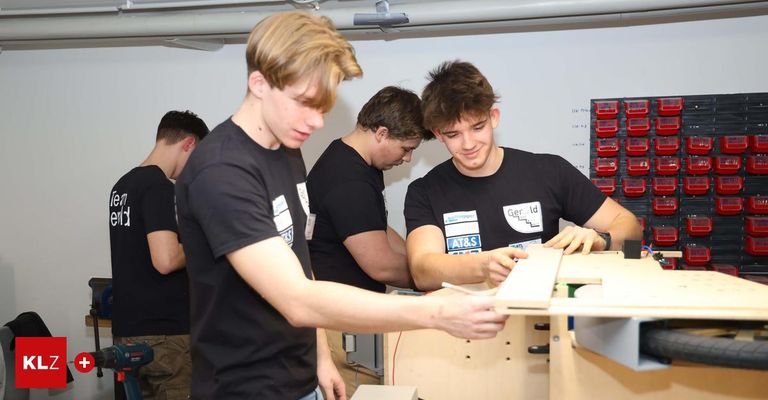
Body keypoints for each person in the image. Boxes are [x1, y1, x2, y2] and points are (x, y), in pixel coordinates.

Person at [175, 12, 508, 400]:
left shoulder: (286, 152)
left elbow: (302, 262)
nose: (316, 122)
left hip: (298, 378)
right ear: (259, 84)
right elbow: (297, 298)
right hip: (244, 388)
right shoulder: (222, 171)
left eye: (324, 108)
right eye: (305, 104)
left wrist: (320, 357)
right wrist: (434, 312)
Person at [404, 60, 643, 291]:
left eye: (477, 127)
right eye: (453, 134)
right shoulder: (425, 191)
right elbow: (422, 269)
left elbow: (630, 227)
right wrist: (483, 265)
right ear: (439, 134)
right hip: (465, 323)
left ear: (493, 117)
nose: (468, 144)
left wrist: (601, 238)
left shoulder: (549, 172)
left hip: (539, 319)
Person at [306, 86, 432, 395]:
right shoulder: (348, 179)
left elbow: (379, 229)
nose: (408, 158)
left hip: (349, 319)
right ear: (381, 132)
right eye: (405, 148)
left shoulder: (358, 163)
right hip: (342, 329)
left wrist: (422, 257)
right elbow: (380, 265)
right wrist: (433, 276)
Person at [108, 110, 209, 399]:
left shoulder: (122, 186)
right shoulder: (159, 187)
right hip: (163, 335)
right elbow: (165, 260)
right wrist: (203, 243)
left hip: (128, 330)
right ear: (188, 143)